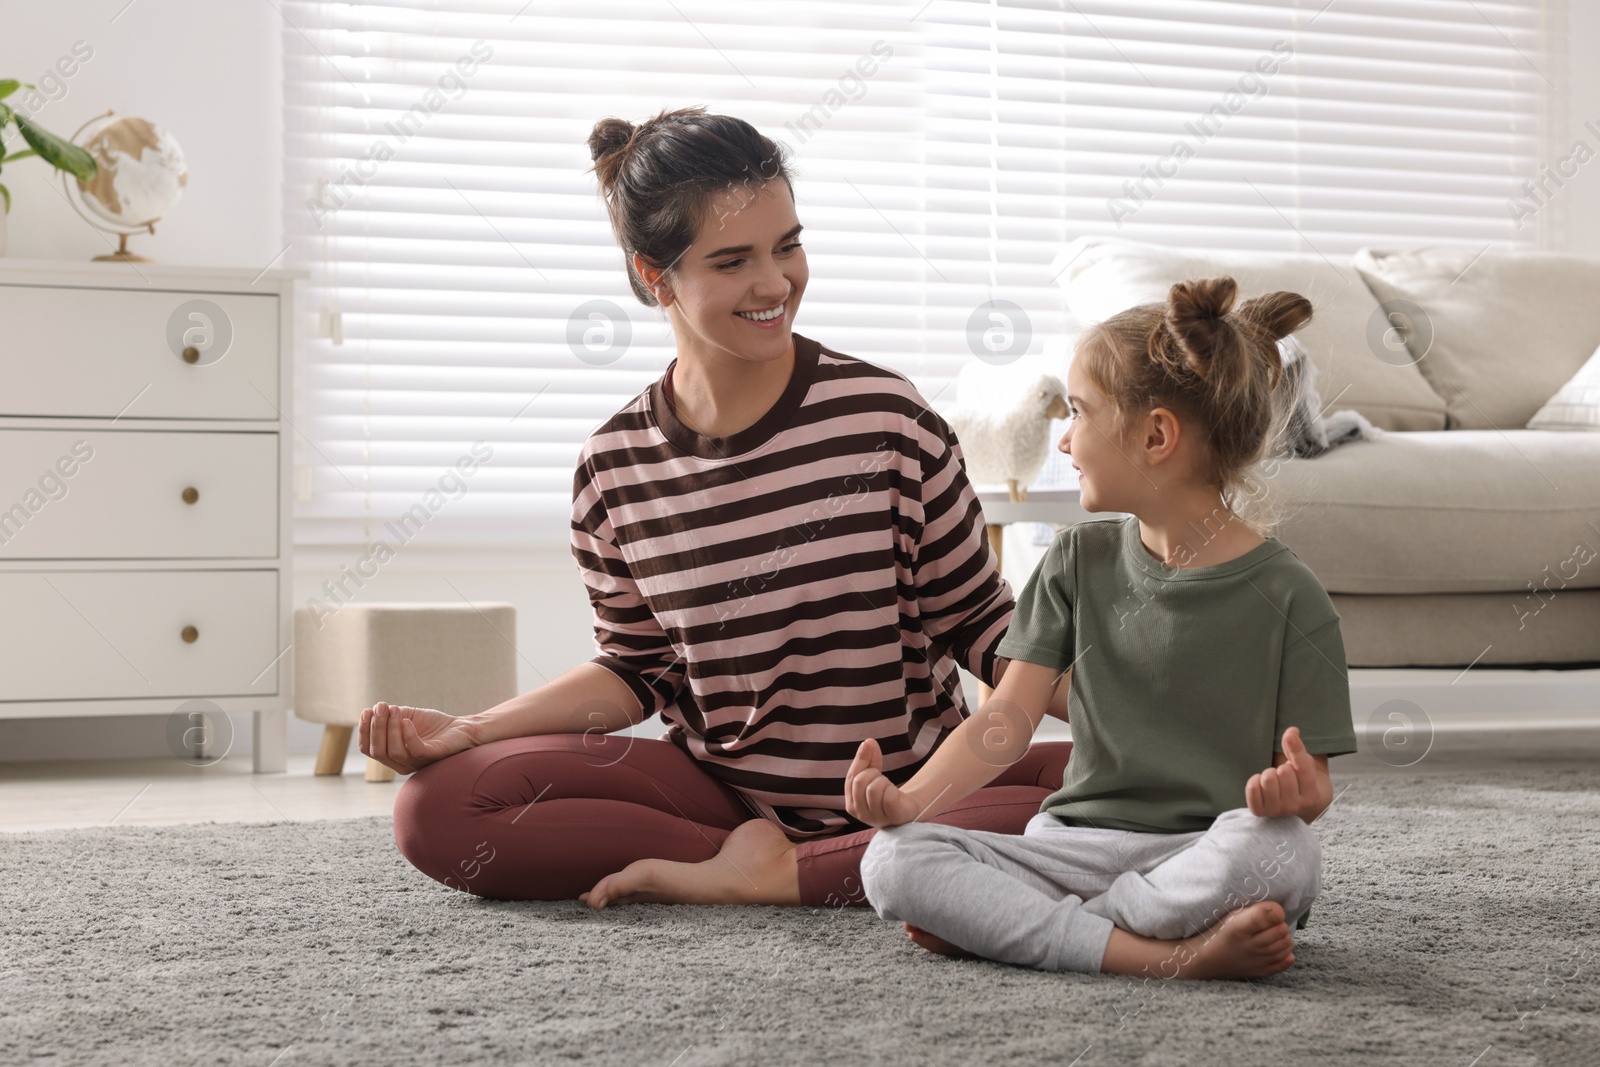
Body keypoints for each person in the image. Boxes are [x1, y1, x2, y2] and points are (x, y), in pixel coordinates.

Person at [359, 105, 1075, 910]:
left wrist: (1160, 717)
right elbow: (637, 670)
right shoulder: (612, 467)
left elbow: (985, 628)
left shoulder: (888, 421)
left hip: (916, 789)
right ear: (655, 276)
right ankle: (812, 864)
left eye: (788, 245)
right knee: (436, 808)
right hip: (723, 795)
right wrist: (475, 729)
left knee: (1146, 791)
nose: (775, 283)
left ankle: (781, 872)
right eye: (733, 261)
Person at [846, 276, 1360, 980]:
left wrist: (1297, 795)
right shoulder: (1074, 561)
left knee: (1284, 848)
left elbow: (1315, 791)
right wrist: (908, 800)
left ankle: (1037, 930)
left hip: (1205, 849)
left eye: (1080, 411)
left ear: (1155, 435)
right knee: (893, 857)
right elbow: (1006, 720)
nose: (1063, 437)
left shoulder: (1292, 594)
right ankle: (1166, 954)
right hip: (1073, 846)